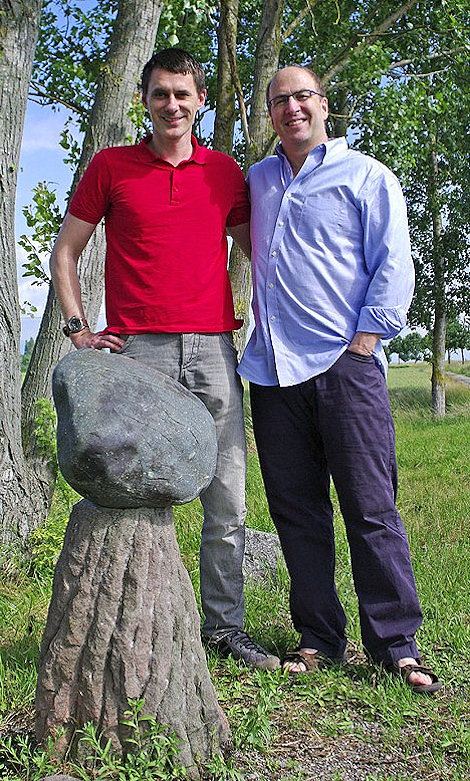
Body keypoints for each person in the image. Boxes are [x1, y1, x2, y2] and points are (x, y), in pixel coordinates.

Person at [50, 48, 279, 671]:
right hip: (136, 355)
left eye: (183, 93)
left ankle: (222, 628)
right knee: (135, 496)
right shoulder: (111, 167)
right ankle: (141, 626)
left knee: (226, 493)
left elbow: (260, 252)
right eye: (160, 94)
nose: (171, 105)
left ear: (200, 101)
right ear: (145, 101)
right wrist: (78, 331)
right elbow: (66, 251)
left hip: (212, 349)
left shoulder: (225, 173)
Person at [238, 65, 441, 692]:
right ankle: (319, 637)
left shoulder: (366, 176)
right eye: (280, 101)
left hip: (345, 367)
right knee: (297, 511)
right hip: (272, 372)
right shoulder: (259, 181)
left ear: (324, 106)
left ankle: (396, 645)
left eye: (303, 97)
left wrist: (366, 341)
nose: (292, 109)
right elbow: (247, 246)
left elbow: (392, 263)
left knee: (371, 507)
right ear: (269, 114)